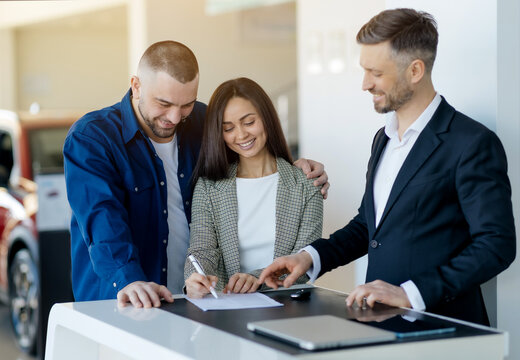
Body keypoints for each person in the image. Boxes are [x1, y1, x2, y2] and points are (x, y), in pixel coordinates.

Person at [259, 8, 516, 325]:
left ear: (415, 70)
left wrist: (412, 294)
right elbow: (368, 226)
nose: (365, 84)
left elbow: (496, 245)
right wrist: (309, 257)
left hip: (444, 330)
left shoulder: (471, 143)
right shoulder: (382, 139)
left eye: (376, 73)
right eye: (364, 71)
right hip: (380, 328)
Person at [64, 41, 329, 308]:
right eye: (163, 103)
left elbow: (249, 153)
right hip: (123, 297)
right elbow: (102, 218)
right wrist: (128, 279)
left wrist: (296, 168)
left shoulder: (204, 121)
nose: (175, 117)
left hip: (192, 300)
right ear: (136, 85)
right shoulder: (92, 138)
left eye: (186, 104)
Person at [184, 78, 323, 298]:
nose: (240, 135)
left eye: (249, 122)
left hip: (287, 307)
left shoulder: (306, 184)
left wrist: (258, 278)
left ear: (266, 118)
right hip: (226, 308)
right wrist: (195, 278)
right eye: (228, 128)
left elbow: (304, 260)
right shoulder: (209, 186)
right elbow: (203, 249)